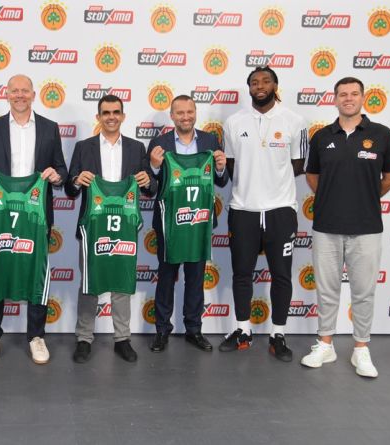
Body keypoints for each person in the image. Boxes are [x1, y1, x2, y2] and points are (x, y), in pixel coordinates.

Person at [300, 77, 390, 377]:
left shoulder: (382, 135)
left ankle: (361, 349)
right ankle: (325, 344)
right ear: (334, 99)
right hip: (326, 226)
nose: (348, 98)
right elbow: (312, 175)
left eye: (354, 93)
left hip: (366, 226)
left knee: (364, 291)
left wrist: (367, 196)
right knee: (327, 289)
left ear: (363, 98)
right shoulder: (321, 137)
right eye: (342, 94)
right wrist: (331, 196)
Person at [0, 74, 68, 364]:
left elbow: (62, 168)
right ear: (7, 94)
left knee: (37, 274)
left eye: (25, 91)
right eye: (15, 91)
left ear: (33, 95)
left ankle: (36, 336)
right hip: (0, 215)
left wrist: (56, 175)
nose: (20, 95)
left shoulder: (49, 127)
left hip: (36, 216)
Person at [219, 66, 308, 362]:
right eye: (254, 82)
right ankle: (243, 331)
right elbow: (231, 164)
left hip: (280, 211)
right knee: (242, 274)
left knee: (281, 275)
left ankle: (277, 334)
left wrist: (272, 181)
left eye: (266, 81)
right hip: (243, 209)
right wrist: (253, 181)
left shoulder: (294, 121)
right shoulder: (234, 122)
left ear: (275, 86)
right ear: (249, 88)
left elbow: (298, 165)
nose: (260, 86)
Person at [64, 95, 155, 363]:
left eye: (116, 112)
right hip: (93, 227)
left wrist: (148, 181)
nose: (111, 117)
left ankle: (122, 338)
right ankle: (84, 338)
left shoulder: (137, 148)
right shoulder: (83, 147)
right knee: (89, 282)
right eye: (106, 112)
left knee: (122, 282)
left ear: (123, 116)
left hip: (124, 226)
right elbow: (69, 189)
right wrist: (77, 181)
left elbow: (150, 188)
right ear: (99, 117)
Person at [147, 95, 228, 353]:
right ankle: (162, 330)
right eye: (180, 112)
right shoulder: (159, 143)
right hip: (169, 223)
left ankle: (194, 329)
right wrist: (154, 168)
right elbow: (149, 186)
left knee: (195, 278)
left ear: (195, 113)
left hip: (199, 221)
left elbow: (222, 180)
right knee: (166, 277)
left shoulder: (209, 140)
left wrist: (220, 168)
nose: (185, 117)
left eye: (189, 112)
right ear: (172, 116)